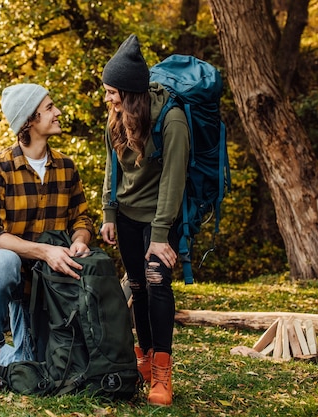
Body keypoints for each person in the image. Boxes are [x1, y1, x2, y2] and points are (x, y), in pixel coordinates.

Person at [0, 83, 94, 390]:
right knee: (5, 261)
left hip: (44, 284)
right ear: (28, 120)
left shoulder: (67, 168)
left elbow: (81, 218)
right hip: (1, 271)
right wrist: (44, 251)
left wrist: (80, 240)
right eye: (49, 108)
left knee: (35, 365)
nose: (58, 112)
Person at [99, 34, 189, 406]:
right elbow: (111, 166)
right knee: (136, 286)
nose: (107, 99)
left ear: (130, 91)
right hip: (127, 216)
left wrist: (161, 235)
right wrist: (108, 212)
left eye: (111, 92)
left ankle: (164, 375)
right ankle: (148, 361)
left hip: (160, 218)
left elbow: (173, 180)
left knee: (156, 282)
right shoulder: (116, 120)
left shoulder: (172, 120)